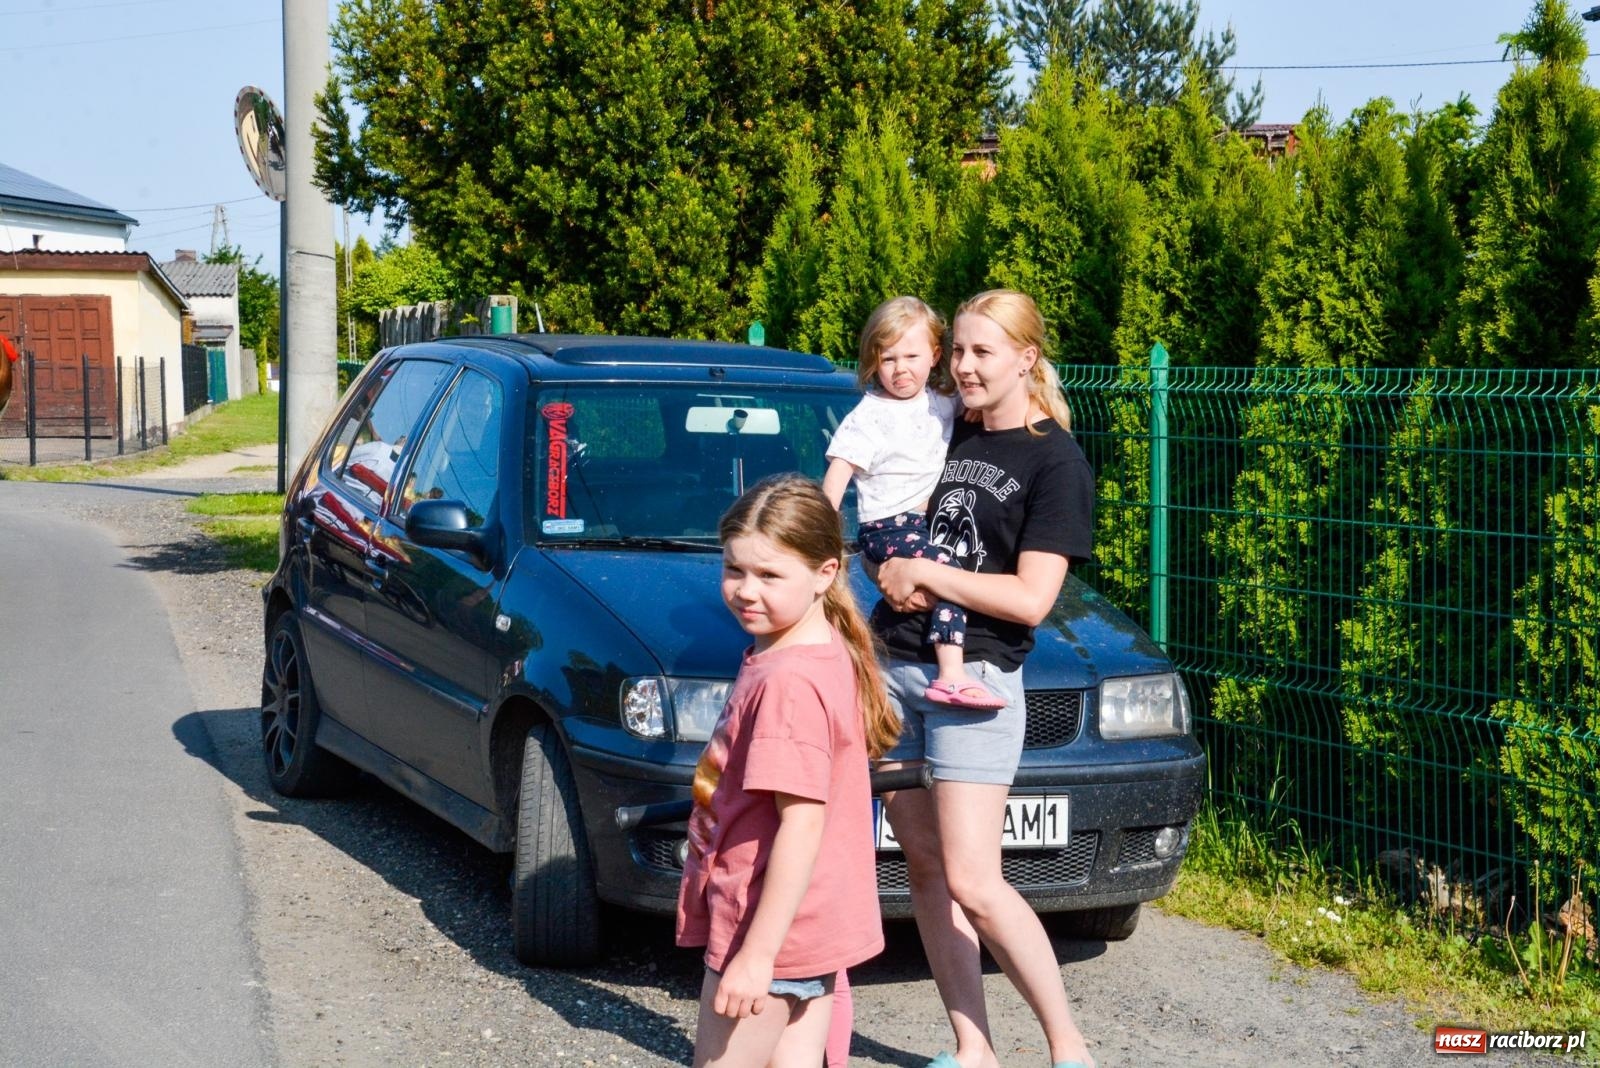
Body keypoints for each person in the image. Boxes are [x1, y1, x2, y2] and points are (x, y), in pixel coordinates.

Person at [872, 290, 1097, 1068]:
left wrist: (927, 574)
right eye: (959, 350)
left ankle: (1069, 1049)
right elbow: (895, 513)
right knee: (926, 869)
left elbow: (1031, 599)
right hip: (895, 668)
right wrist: (888, 566)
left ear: (1027, 359)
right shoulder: (953, 429)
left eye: (981, 353)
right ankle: (973, 1048)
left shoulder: (1057, 463)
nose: (963, 367)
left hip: (976, 684)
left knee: (974, 878)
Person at [676, 473, 900, 1068]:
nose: (746, 591)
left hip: (770, 929)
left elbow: (802, 824)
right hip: (812, 927)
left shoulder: (788, 682)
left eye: (770, 576)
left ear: (825, 573)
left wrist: (757, 955)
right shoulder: (818, 650)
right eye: (734, 569)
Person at [822, 296, 1004, 712]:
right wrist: (823, 534)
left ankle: (941, 663)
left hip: (923, 527)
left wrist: (985, 410)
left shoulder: (941, 401)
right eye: (888, 359)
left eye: (911, 356)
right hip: (886, 527)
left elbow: (980, 403)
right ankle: (952, 674)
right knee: (949, 574)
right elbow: (837, 475)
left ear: (935, 356)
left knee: (944, 577)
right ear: (873, 361)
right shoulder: (868, 417)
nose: (900, 368)